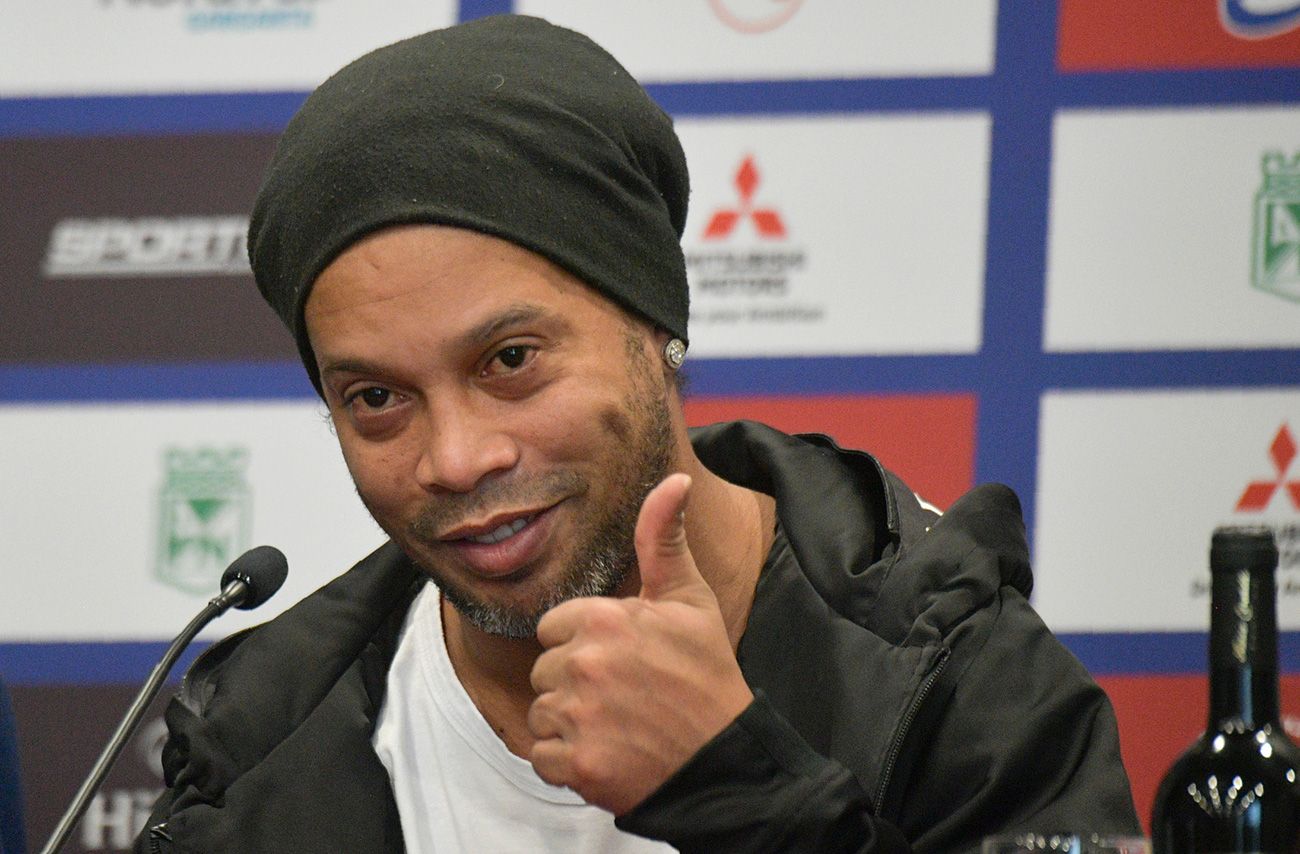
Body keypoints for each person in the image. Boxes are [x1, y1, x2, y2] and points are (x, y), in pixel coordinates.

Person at [136, 14, 1140, 853]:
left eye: (511, 360)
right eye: (376, 399)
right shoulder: (254, 750)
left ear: (656, 325)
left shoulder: (951, 677)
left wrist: (744, 792)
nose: (454, 458)